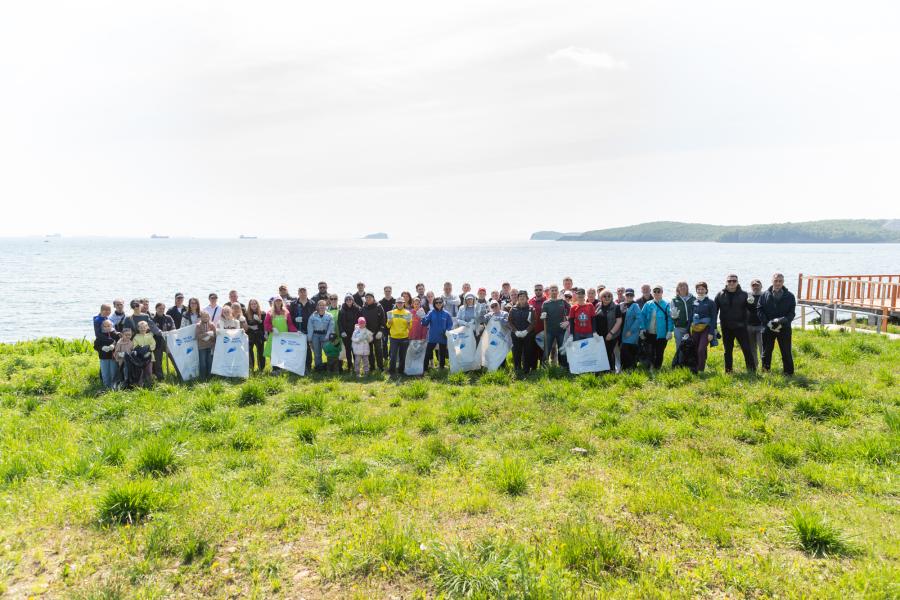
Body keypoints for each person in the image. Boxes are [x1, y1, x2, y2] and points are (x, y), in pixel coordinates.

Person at [714, 274, 757, 373]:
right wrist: (714, 327)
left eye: (734, 281)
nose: (732, 283)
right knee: (727, 350)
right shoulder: (720, 295)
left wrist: (752, 303)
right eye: (729, 281)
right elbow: (714, 312)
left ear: (737, 282)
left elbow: (753, 310)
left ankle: (751, 371)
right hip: (726, 327)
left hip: (741, 327)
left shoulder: (744, 295)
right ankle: (728, 371)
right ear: (726, 282)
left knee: (746, 349)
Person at [757, 272, 796, 375]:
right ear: (772, 281)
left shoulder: (790, 296)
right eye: (776, 281)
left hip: (784, 328)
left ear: (783, 282)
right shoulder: (764, 295)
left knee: (786, 351)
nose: (778, 283)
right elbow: (759, 310)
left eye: (780, 281)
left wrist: (782, 320)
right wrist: (768, 323)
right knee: (766, 352)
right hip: (768, 328)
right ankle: (765, 372)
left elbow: (792, 313)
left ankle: (788, 373)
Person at [640, 285, 673, 370]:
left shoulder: (666, 305)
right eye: (655, 291)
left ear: (662, 292)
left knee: (659, 352)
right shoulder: (648, 304)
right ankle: (650, 368)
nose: (657, 293)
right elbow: (642, 317)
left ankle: (657, 368)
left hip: (662, 334)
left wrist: (670, 331)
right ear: (652, 293)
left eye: (659, 291)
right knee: (650, 352)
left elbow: (670, 319)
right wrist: (642, 329)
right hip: (649, 333)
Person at [690, 282, 717, 373]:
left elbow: (714, 318)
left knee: (701, 349)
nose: (700, 291)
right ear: (696, 290)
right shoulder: (694, 302)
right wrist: (687, 331)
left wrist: (711, 333)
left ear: (706, 290)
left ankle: (701, 370)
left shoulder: (711, 303)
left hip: (707, 329)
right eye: (699, 289)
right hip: (695, 329)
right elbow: (690, 317)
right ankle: (695, 367)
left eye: (702, 289)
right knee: (695, 348)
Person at [421, 296, 454, 370]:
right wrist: (422, 317)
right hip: (433, 336)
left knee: (442, 352)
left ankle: (441, 366)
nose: (438, 304)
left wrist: (447, 331)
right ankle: (425, 368)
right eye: (436, 302)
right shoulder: (431, 313)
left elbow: (450, 324)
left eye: (440, 302)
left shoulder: (447, 314)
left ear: (442, 303)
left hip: (443, 336)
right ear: (434, 304)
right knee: (428, 352)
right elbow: (425, 323)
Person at [541, 284, 569, 367]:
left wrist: (568, 321)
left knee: (562, 349)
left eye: (555, 290)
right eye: (552, 290)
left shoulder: (562, 302)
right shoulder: (546, 303)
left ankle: (563, 367)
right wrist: (543, 316)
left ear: (558, 291)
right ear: (549, 291)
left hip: (561, 330)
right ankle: (544, 367)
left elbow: (572, 311)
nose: (554, 292)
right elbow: (542, 316)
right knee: (547, 349)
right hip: (549, 331)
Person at [594, 290, 623, 370]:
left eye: (609, 296)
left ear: (612, 297)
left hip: (611, 334)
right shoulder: (598, 305)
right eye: (604, 296)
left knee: (609, 352)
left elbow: (619, 321)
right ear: (601, 298)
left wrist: (611, 333)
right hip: (599, 335)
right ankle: (602, 370)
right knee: (601, 353)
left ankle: (611, 371)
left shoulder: (616, 307)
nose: (607, 298)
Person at [264, 297, 297, 365]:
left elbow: (290, 324)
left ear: (282, 302)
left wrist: (295, 331)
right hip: (274, 336)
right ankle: (274, 367)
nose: (278, 302)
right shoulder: (270, 312)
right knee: (273, 351)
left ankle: (282, 366)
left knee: (283, 351)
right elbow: (266, 324)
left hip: (284, 336)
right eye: (276, 301)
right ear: (274, 302)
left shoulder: (286, 312)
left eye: (279, 301)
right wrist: (272, 328)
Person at [290, 288, 316, 372]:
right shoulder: (293, 304)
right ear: (298, 293)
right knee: (298, 349)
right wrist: (295, 319)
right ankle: (298, 366)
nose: (302, 293)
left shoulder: (312, 303)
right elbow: (290, 317)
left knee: (308, 349)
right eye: (300, 292)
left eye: (304, 292)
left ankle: (308, 366)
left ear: (307, 293)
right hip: (298, 330)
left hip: (310, 330)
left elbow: (315, 315)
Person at [508, 291, 534, 373]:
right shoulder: (513, 309)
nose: (522, 298)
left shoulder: (531, 309)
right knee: (516, 352)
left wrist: (526, 331)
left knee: (527, 352)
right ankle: (517, 368)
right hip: (516, 335)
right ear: (518, 298)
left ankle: (526, 369)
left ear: (527, 298)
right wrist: (516, 331)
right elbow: (510, 322)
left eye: (524, 296)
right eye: (520, 296)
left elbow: (533, 322)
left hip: (528, 335)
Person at [361, 293, 386, 371]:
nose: (368, 299)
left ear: (373, 298)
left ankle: (380, 367)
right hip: (367, 333)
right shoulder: (363, 308)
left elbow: (383, 319)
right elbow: (361, 320)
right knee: (369, 351)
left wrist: (381, 331)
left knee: (378, 350)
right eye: (366, 297)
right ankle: (372, 367)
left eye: (370, 297)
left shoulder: (378, 306)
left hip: (377, 333)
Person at [386, 297, 412, 374]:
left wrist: (408, 323)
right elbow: (388, 326)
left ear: (404, 303)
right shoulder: (391, 312)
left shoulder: (408, 313)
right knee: (393, 355)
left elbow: (410, 327)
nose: (400, 304)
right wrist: (389, 322)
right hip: (394, 338)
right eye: (398, 302)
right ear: (396, 303)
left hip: (404, 337)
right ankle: (392, 371)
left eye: (401, 302)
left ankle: (401, 371)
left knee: (403, 356)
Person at [619, 289, 643, 370]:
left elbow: (639, 319)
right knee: (623, 351)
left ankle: (632, 368)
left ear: (633, 296)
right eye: (627, 295)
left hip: (631, 332)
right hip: (622, 332)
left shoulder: (635, 306)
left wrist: (631, 330)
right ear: (625, 295)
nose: (629, 297)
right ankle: (624, 368)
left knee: (629, 350)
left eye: (631, 295)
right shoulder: (622, 305)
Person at [151, 302, 176, 379]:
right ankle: (160, 378)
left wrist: (171, 332)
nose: (161, 310)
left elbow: (173, 328)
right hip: (157, 343)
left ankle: (179, 374)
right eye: (160, 308)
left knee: (174, 359)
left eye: (163, 308)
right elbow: (154, 330)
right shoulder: (152, 319)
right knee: (158, 362)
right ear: (156, 309)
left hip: (168, 342)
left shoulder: (168, 318)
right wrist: (162, 333)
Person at [307, 300, 334, 371]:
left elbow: (331, 327)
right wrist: (309, 339)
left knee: (328, 352)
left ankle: (330, 367)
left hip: (325, 335)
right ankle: (318, 367)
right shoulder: (313, 316)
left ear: (326, 306)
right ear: (318, 306)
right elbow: (310, 327)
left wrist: (328, 336)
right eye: (320, 305)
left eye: (323, 305)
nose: (322, 307)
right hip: (315, 336)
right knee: (317, 353)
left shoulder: (329, 316)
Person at [94, 319, 119, 389]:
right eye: (105, 326)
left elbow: (120, 343)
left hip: (113, 357)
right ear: (102, 327)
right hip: (103, 357)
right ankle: (106, 387)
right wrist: (102, 348)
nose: (107, 327)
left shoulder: (115, 334)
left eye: (108, 326)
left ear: (111, 326)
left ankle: (113, 387)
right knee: (105, 373)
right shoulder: (99, 335)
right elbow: (96, 346)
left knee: (114, 372)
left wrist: (114, 346)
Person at [338, 294, 362, 368]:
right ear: (345, 301)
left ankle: (356, 365)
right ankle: (349, 365)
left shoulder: (357, 308)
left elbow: (360, 320)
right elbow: (339, 322)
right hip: (345, 333)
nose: (348, 301)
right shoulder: (341, 310)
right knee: (348, 350)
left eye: (350, 299)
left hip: (355, 332)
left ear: (353, 300)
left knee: (355, 350)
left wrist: (359, 329)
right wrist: (342, 331)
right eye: (347, 299)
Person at [746, 279, 765, 368]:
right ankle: (754, 367)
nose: (755, 287)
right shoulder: (748, 296)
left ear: (761, 286)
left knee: (762, 347)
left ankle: (764, 367)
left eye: (757, 285)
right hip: (749, 326)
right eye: (753, 285)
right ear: (751, 287)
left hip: (761, 326)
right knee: (752, 348)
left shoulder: (765, 296)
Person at [670, 282, 696, 347]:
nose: (682, 288)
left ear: (687, 288)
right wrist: (674, 316)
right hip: (679, 327)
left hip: (692, 327)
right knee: (679, 347)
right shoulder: (674, 300)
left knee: (692, 346)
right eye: (680, 286)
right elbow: (671, 314)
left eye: (684, 286)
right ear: (677, 288)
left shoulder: (693, 299)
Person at [132, 320, 157, 385]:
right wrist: (142, 351)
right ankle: (140, 385)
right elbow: (135, 347)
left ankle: (149, 385)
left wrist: (148, 350)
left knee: (149, 371)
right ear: (138, 328)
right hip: (140, 358)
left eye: (144, 327)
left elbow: (153, 344)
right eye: (141, 327)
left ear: (147, 328)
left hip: (149, 357)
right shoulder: (136, 337)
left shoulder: (150, 336)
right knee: (141, 372)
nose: (143, 329)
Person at [245, 299, 266, 372]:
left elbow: (264, 325)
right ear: (249, 305)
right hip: (250, 335)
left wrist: (259, 321)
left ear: (257, 304)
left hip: (259, 335)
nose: (253, 305)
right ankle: (251, 369)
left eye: (255, 303)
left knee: (261, 353)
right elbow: (244, 325)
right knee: (250, 353)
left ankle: (261, 369)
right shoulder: (246, 314)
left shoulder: (262, 313)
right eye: (252, 304)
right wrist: (250, 327)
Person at [528, 284, 546, 369]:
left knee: (543, 350)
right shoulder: (530, 301)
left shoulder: (547, 300)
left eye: (540, 289)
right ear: (534, 291)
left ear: (542, 290)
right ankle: (533, 368)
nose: (538, 291)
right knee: (533, 350)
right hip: (533, 330)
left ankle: (543, 368)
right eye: (536, 290)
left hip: (543, 330)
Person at [196, 311, 216, 379]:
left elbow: (215, 335)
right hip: (202, 347)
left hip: (210, 346)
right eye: (203, 317)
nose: (205, 318)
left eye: (207, 317)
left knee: (210, 362)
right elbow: (197, 336)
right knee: (203, 363)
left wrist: (211, 337)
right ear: (201, 317)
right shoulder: (198, 325)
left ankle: (209, 377)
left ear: (209, 317)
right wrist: (207, 334)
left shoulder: (212, 325)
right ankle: (202, 377)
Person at [379, 286, 396, 360]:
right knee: (384, 342)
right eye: (386, 291)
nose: (388, 292)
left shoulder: (395, 301)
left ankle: (391, 355)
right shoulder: (380, 302)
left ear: (391, 291)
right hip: (384, 325)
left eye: (389, 291)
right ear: (384, 292)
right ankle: (385, 357)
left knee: (392, 342)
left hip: (393, 325)